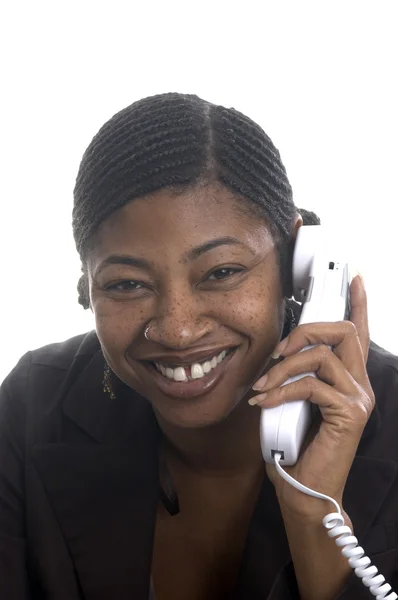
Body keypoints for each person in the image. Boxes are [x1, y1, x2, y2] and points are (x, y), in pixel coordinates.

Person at [1, 93, 397, 600]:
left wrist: (312, 512)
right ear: (87, 285)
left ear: (297, 265)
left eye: (222, 272)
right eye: (127, 284)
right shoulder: (33, 404)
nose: (178, 329)